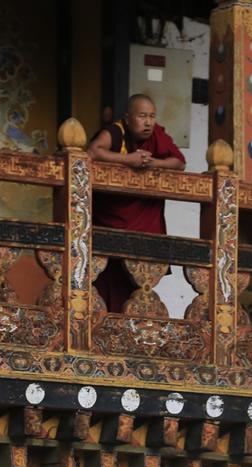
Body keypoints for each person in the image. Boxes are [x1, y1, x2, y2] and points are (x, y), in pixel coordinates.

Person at [88, 94, 186, 313]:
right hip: (110, 219)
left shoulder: (158, 135)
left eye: (151, 116)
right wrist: (129, 160)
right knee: (106, 278)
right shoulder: (116, 132)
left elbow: (178, 162)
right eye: (142, 116)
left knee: (139, 278)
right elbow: (93, 151)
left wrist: (153, 163)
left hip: (143, 223)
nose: (148, 122)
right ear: (128, 117)